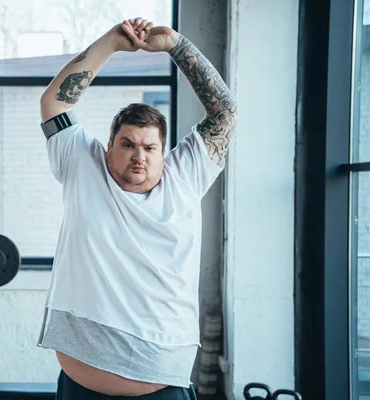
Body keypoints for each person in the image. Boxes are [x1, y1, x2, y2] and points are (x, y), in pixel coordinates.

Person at [37, 17, 238, 400]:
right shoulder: (82, 164)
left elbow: (225, 114)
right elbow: (55, 100)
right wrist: (111, 43)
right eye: (128, 144)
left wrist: (177, 45)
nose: (138, 157)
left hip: (162, 384)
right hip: (82, 383)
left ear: (165, 153)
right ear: (109, 145)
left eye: (150, 148)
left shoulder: (185, 176)